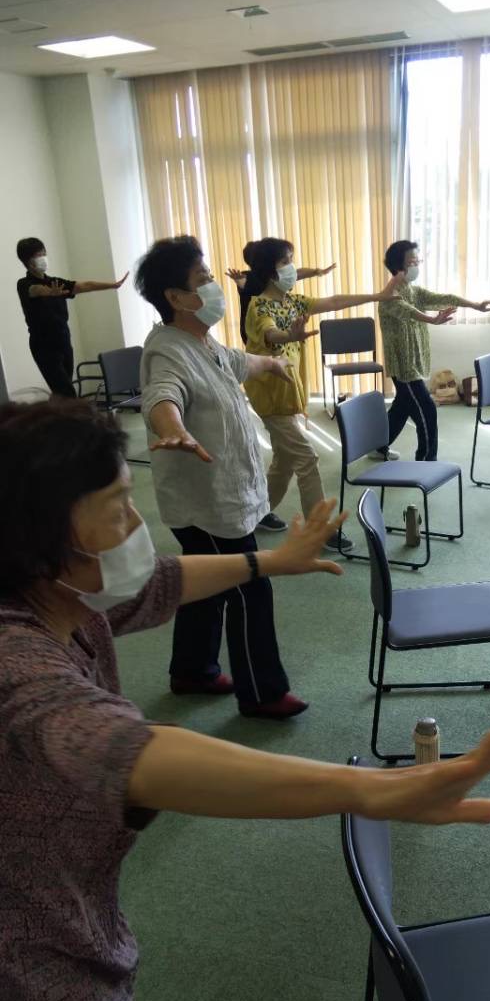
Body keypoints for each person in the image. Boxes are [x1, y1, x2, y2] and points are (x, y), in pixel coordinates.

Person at [0, 396, 490, 1001]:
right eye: (118, 505)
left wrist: (267, 562)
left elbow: (156, 583)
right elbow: (128, 750)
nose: (137, 522)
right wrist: (364, 791)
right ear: (39, 537)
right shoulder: (15, 660)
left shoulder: (55, 598)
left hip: (54, 900)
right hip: (26, 964)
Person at [136, 234, 313, 719]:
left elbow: (238, 362)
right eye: (204, 278)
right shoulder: (167, 350)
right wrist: (172, 428)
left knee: (205, 583)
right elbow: (162, 395)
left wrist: (272, 362)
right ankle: (262, 693)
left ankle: (192, 671)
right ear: (176, 297)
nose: (215, 285)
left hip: (221, 496)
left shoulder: (202, 341)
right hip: (206, 503)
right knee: (249, 584)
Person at [244, 237, 403, 545]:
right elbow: (269, 332)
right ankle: (320, 530)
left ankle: (259, 512)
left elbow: (333, 301)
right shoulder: (258, 305)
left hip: (289, 393)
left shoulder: (292, 301)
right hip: (270, 397)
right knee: (306, 458)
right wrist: (288, 335)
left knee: (285, 460)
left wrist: (378, 296)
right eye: (285, 261)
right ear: (270, 271)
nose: (292, 267)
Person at [378, 240, 490, 461]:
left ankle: (378, 445)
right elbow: (408, 311)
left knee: (402, 407)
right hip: (404, 369)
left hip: (415, 362)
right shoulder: (389, 296)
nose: (417, 265)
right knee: (426, 410)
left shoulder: (413, 291)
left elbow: (445, 299)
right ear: (398, 266)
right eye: (412, 261)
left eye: (418, 260)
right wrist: (431, 319)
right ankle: (426, 460)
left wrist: (475, 305)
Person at [16, 236, 129, 399]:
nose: (43, 258)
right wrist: (49, 292)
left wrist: (113, 285)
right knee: (67, 392)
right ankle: (71, 414)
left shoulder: (55, 282)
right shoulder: (23, 284)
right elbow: (35, 290)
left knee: (62, 391)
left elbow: (84, 285)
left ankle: (54, 414)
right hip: (43, 345)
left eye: (44, 253)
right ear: (27, 261)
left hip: (63, 340)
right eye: (38, 255)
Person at [226, 241, 336, 346]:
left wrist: (316, 272)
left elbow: (297, 273)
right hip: (257, 331)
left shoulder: (277, 276)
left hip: (281, 328)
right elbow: (244, 283)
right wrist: (239, 280)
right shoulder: (252, 279)